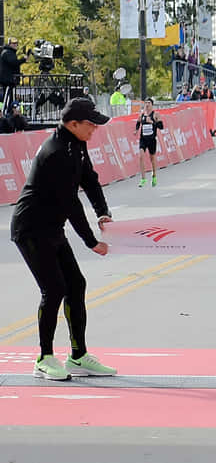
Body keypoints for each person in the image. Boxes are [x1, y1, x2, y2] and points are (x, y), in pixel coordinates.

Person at [10, 97, 117, 381]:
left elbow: (89, 180)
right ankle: (44, 358)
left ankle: (78, 356)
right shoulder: (55, 151)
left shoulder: (76, 144)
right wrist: (91, 241)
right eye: (90, 124)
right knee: (54, 289)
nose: (95, 129)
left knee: (76, 284)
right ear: (73, 124)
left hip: (52, 228)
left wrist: (103, 212)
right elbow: (70, 203)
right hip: (31, 228)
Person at [135, 98, 163, 187]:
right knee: (141, 156)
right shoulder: (142, 114)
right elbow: (138, 122)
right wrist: (136, 130)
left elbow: (161, 126)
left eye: (149, 103)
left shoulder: (156, 114)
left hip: (152, 139)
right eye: (146, 103)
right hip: (143, 139)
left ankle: (154, 175)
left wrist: (152, 122)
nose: (147, 105)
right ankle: (143, 178)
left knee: (152, 159)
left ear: (152, 105)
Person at [0, 37, 28, 113]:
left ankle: (9, 112)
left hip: (9, 79)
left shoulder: (9, 52)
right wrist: (23, 59)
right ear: (9, 44)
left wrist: (19, 74)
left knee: (10, 98)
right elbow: (14, 63)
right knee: (8, 98)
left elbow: (12, 66)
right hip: (7, 80)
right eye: (13, 43)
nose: (15, 45)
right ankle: (7, 112)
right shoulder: (7, 52)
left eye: (16, 44)